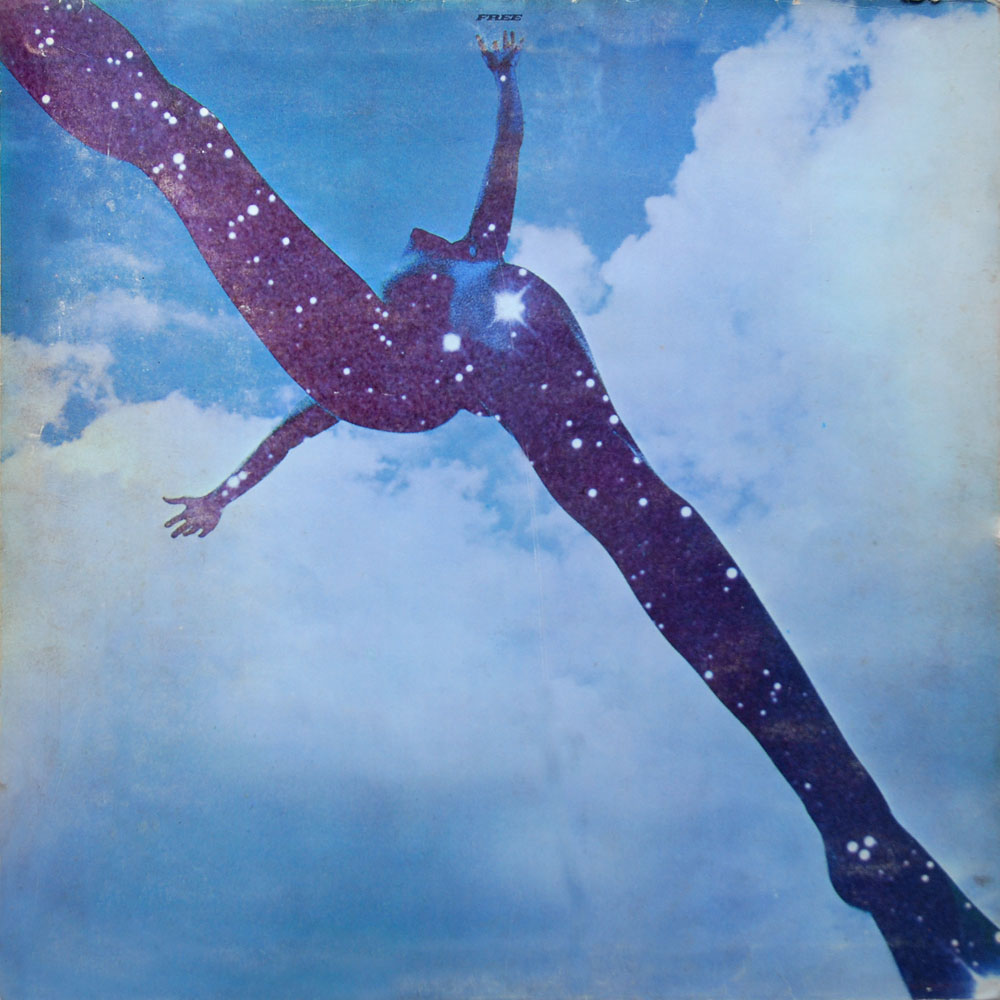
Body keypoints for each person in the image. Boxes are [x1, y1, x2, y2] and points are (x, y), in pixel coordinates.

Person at [1, 3, 997, 996]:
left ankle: (862, 838)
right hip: (427, 360)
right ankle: (863, 839)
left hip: (469, 358)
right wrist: (228, 490)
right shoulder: (435, 290)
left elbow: (493, 178)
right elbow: (314, 407)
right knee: (188, 144)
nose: (412, 235)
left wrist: (508, 84)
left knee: (647, 527)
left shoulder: (451, 274)